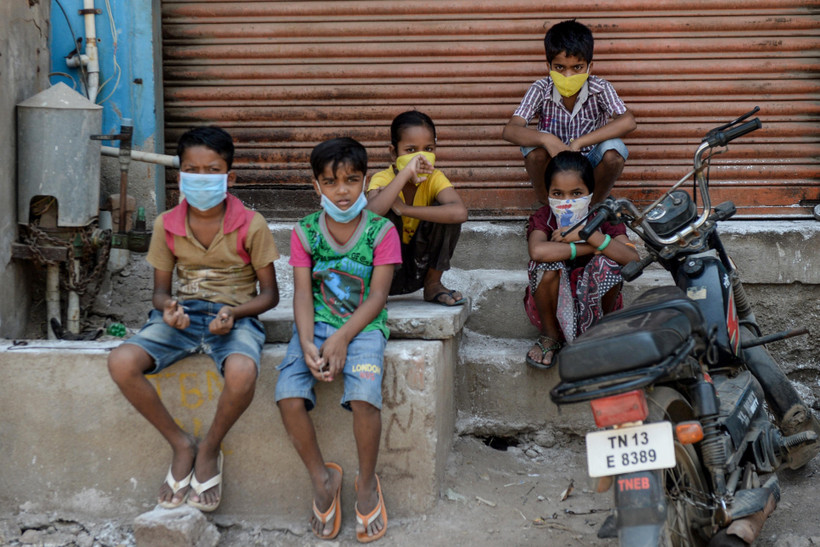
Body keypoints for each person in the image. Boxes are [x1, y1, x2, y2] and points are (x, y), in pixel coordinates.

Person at [107, 126, 280, 512]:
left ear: (229, 177)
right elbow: (159, 292)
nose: (201, 178)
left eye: (211, 170)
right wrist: (168, 308)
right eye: (192, 170)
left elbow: (270, 295)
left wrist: (233, 313)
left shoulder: (252, 224)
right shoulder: (165, 223)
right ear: (180, 174)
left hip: (233, 317)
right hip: (181, 318)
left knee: (242, 373)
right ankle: (181, 443)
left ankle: (209, 449)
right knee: (120, 362)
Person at [275, 137, 400, 542]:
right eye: (330, 182)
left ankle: (366, 483)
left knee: (364, 396)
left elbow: (378, 296)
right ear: (316, 186)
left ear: (365, 181)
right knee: (288, 397)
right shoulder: (304, 231)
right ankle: (323, 479)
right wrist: (308, 342)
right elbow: (302, 294)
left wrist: (343, 338)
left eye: (351, 180)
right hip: (315, 327)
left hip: (363, 329)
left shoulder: (382, 231)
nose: (342, 191)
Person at [502, 19, 636, 205]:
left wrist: (579, 143)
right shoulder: (541, 88)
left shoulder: (600, 88)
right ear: (548, 67)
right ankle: (547, 208)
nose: (568, 76)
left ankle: (590, 209)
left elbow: (628, 121)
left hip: (589, 163)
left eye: (577, 68)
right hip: (555, 164)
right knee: (533, 150)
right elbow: (510, 130)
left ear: (590, 67)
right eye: (560, 68)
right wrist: (546, 139)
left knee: (614, 151)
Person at [524, 151, 638, 369]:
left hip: (600, 310)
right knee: (546, 265)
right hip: (552, 311)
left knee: (609, 263)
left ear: (590, 193)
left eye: (576, 193)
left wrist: (592, 235)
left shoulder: (604, 217)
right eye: (557, 193)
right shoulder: (544, 217)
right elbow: (537, 251)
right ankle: (550, 336)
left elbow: (631, 257)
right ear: (547, 194)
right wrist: (586, 247)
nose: (567, 202)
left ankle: (598, 334)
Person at [366, 110, 469, 306]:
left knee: (446, 212)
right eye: (411, 150)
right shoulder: (382, 178)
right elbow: (370, 214)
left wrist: (405, 209)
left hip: (419, 266)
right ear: (393, 152)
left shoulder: (434, 178)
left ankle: (433, 284)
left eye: (428, 148)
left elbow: (460, 213)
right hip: (384, 270)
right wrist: (404, 174)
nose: (420, 157)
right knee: (384, 206)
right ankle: (378, 290)